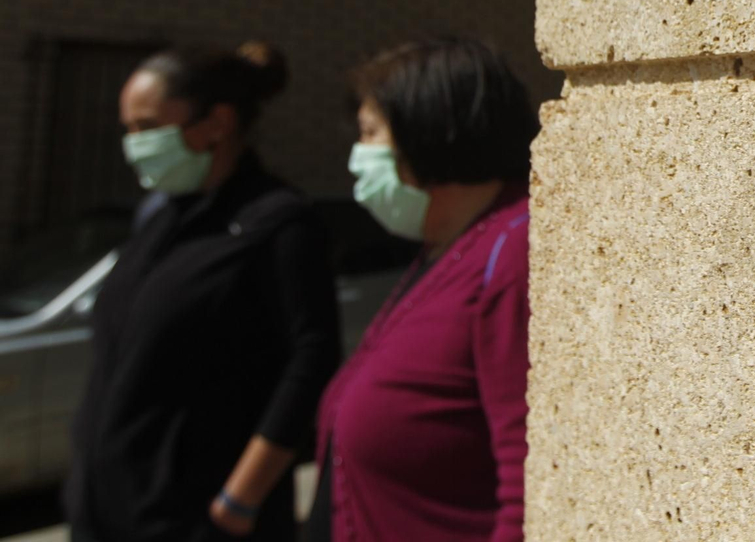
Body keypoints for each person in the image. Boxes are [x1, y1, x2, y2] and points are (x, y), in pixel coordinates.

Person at [67, 43, 341, 542]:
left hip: (196, 519)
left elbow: (311, 359)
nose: (135, 144)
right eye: (128, 129)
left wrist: (240, 500)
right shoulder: (160, 216)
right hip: (111, 510)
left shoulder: (276, 223)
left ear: (217, 123)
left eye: (148, 127)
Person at [307, 37, 535, 542]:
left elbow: (528, 479)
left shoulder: (511, 250)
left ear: (429, 134)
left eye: (369, 135)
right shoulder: (444, 245)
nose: (356, 157)